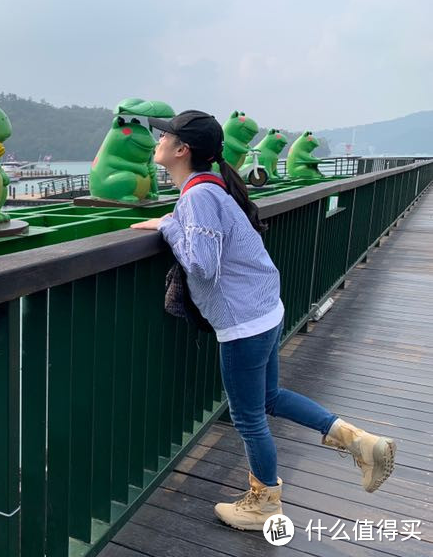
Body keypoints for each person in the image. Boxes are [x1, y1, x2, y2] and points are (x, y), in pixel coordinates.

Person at [131, 110, 397, 531]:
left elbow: (201, 265)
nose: (158, 142)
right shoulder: (211, 187)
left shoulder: (198, 195)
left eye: (164, 137)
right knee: (268, 397)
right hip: (264, 310)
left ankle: (264, 503)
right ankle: (361, 443)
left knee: (248, 417)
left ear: (182, 150)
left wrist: (167, 227)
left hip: (243, 323)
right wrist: (171, 221)